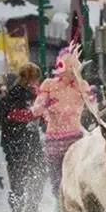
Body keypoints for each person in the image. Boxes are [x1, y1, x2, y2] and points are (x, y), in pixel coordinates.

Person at [34, 44, 89, 200]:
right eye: (68, 69)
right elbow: (36, 109)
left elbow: (94, 107)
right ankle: (60, 207)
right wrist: (43, 104)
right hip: (54, 139)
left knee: (77, 176)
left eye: (74, 70)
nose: (69, 74)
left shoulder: (82, 85)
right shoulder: (49, 85)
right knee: (57, 179)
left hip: (76, 139)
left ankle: (75, 205)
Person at [0, 63, 46, 212]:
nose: (37, 82)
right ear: (29, 78)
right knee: (17, 175)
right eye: (35, 79)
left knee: (40, 172)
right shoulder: (16, 93)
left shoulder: (34, 93)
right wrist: (31, 114)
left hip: (31, 139)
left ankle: (32, 208)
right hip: (15, 141)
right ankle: (17, 211)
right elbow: (9, 115)